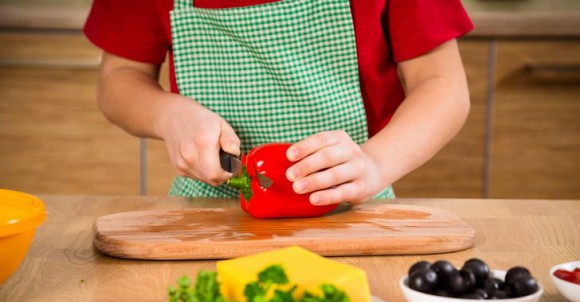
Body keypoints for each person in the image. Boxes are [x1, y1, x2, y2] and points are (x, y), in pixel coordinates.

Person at [84, 0, 473, 206]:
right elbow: (119, 79)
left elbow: (442, 85)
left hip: (353, 206)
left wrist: (375, 163)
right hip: (210, 212)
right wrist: (170, 116)